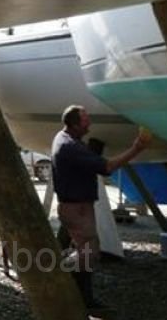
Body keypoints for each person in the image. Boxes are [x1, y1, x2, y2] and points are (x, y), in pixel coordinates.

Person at [52, 105, 151, 309]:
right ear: (75, 124)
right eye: (85, 119)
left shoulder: (64, 138)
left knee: (87, 251)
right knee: (89, 252)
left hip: (76, 207)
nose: (89, 122)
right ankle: (69, 287)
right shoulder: (71, 146)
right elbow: (107, 167)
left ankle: (79, 295)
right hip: (77, 209)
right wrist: (137, 148)